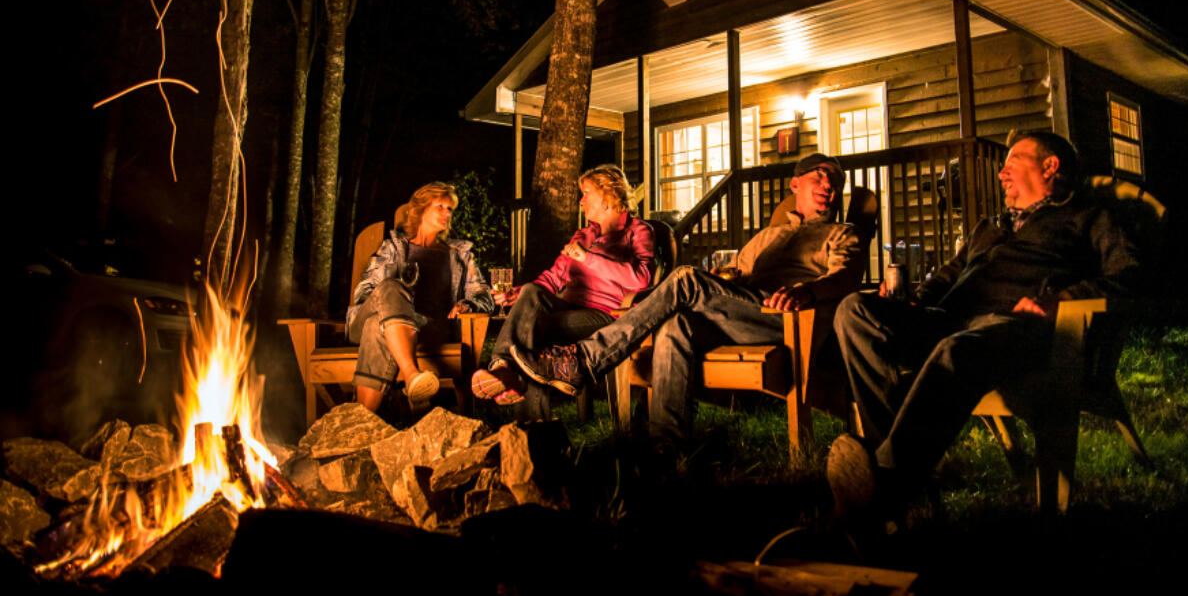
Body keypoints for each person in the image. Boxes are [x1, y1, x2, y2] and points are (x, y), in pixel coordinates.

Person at [827, 130, 1143, 528]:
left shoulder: (1088, 218)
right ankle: (888, 468)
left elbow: (1130, 276)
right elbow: (947, 276)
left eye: (1012, 162)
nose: (1001, 174)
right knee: (854, 310)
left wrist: (1060, 300)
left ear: (1050, 166)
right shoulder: (990, 227)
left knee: (957, 350)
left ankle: (883, 484)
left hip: (1016, 326)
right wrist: (912, 301)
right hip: (948, 320)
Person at [510, 153, 865, 445]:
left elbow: (846, 278)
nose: (829, 185)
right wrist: (729, 277)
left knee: (685, 278)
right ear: (796, 184)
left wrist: (809, 290)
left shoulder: (842, 233)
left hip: (786, 318)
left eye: (835, 181)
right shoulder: (768, 236)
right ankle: (667, 441)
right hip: (744, 312)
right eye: (819, 176)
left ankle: (585, 359)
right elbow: (737, 273)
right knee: (675, 323)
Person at [471, 164, 655, 405]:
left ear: (608, 195)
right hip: (569, 307)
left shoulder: (638, 231)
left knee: (535, 327)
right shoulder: (583, 236)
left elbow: (641, 279)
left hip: (606, 314)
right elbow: (553, 277)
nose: (581, 201)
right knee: (531, 292)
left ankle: (515, 391)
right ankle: (503, 365)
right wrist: (517, 294)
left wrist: (588, 259)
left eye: (586, 193)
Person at [347, 182, 495, 413]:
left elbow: (484, 295)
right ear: (421, 210)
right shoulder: (392, 249)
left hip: (428, 327)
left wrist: (468, 303)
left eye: (449, 209)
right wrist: (393, 304)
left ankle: (363, 425)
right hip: (372, 315)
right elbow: (365, 291)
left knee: (377, 328)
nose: (447, 213)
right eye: (440, 207)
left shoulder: (459, 255)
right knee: (388, 289)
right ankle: (411, 374)